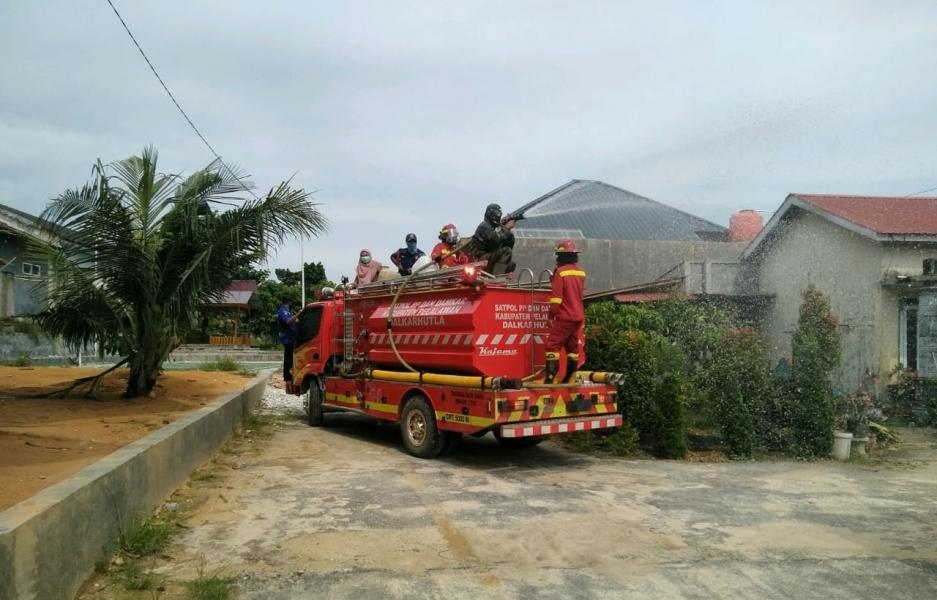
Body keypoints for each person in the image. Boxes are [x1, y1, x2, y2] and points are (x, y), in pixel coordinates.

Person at [545, 239, 586, 384]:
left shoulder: (561, 272)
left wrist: (551, 315)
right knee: (572, 346)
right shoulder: (581, 272)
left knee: (553, 345)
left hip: (565, 316)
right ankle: (571, 377)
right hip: (578, 316)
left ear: (560, 256)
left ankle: (551, 378)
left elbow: (556, 299)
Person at [468, 203, 516, 274]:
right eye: (497, 213)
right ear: (491, 214)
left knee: (511, 265)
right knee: (506, 251)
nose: (499, 215)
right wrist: (506, 228)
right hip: (477, 260)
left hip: (488, 259)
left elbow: (509, 245)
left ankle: (496, 276)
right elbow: (496, 241)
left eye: (500, 213)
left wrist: (507, 230)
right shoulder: (484, 226)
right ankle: (496, 278)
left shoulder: (496, 228)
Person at [277, 296, 300, 392]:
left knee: (292, 359)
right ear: (288, 302)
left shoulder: (290, 311)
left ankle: (291, 378)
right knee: (288, 360)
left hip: (293, 338)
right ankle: (288, 379)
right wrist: (298, 314)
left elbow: (295, 322)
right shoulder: (282, 311)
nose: (292, 303)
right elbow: (288, 321)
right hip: (287, 338)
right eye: (291, 301)